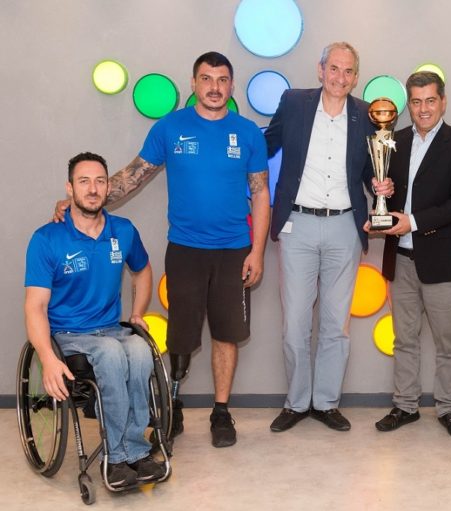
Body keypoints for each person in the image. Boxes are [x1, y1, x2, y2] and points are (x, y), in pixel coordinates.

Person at [54, 52, 270, 448]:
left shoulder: (248, 133)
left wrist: (257, 252)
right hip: (185, 249)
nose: (215, 87)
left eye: (222, 80)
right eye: (206, 79)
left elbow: (260, 194)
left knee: (227, 334)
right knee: (181, 335)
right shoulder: (169, 128)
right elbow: (134, 176)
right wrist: (85, 199)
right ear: (193, 83)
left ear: (231, 85)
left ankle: (221, 411)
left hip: (235, 251)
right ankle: (174, 406)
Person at [264, 42, 391, 433]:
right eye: (333, 68)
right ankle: (296, 402)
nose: (340, 77)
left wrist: (381, 185)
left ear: (356, 77)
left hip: (344, 226)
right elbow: (266, 145)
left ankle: (326, 402)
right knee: (295, 324)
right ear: (321, 70)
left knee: (336, 324)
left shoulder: (366, 115)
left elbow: (372, 168)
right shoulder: (294, 103)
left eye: (348, 71)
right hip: (297, 224)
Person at [27, 152, 164, 487]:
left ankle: (135, 450)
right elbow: (35, 307)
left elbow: (143, 270)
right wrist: (47, 358)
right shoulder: (47, 239)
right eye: (84, 181)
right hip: (69, 335)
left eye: (100, 181)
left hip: (111, 329)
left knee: (141, 350)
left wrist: (137, 311)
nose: (93, 188)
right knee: (112, 353)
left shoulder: (123, 231)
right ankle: (116, 458)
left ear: (107, 187)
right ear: (70, 188)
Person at [369, 72, 451, 439]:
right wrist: (381, 190)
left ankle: (449, 408)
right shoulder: (393, 141)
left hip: (443, 261)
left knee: (448, 343)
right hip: (400, 259)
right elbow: (386, 190)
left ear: (443, 102)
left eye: (430, 100)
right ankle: (405, 405)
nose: (423, 108)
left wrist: (412, 222)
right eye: (416, 102)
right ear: (409, 105)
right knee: (404, 340)